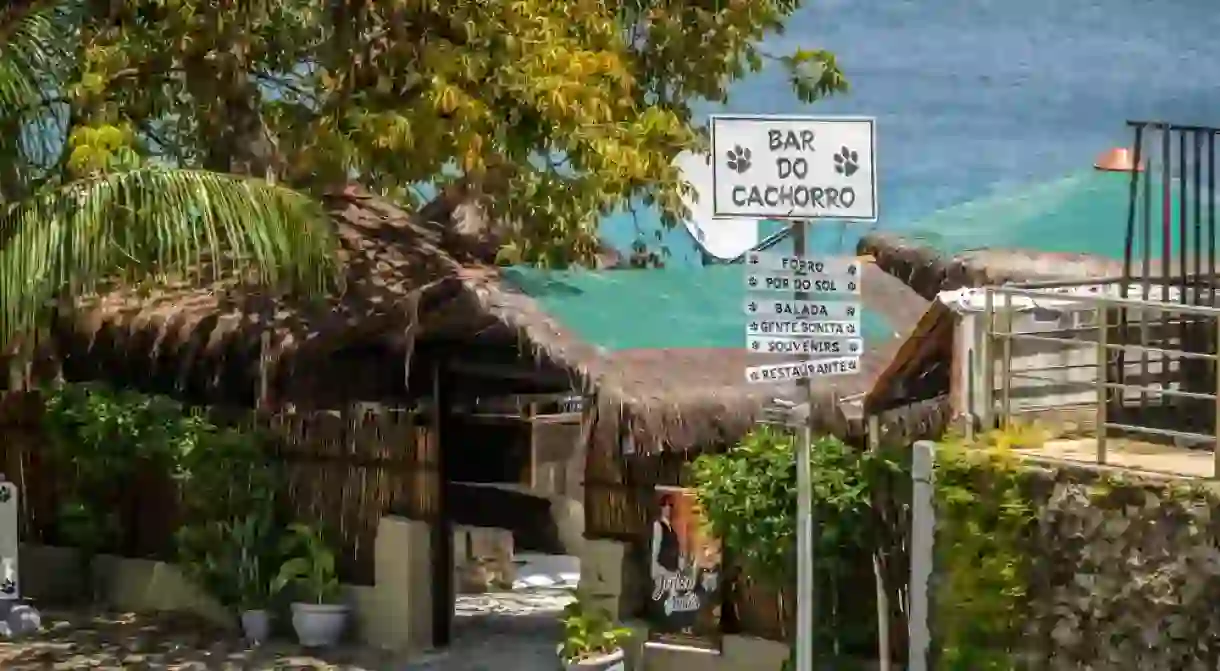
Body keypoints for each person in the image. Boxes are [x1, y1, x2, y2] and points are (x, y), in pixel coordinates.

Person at [651, 494, 681, 582]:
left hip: (671, 573)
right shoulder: (658, 525)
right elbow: (655, 549)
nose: (668, 508)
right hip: (662, 572)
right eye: (665, 505)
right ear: (661, 507)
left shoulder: (671, 529)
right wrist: (656, 572)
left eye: (670, 505)